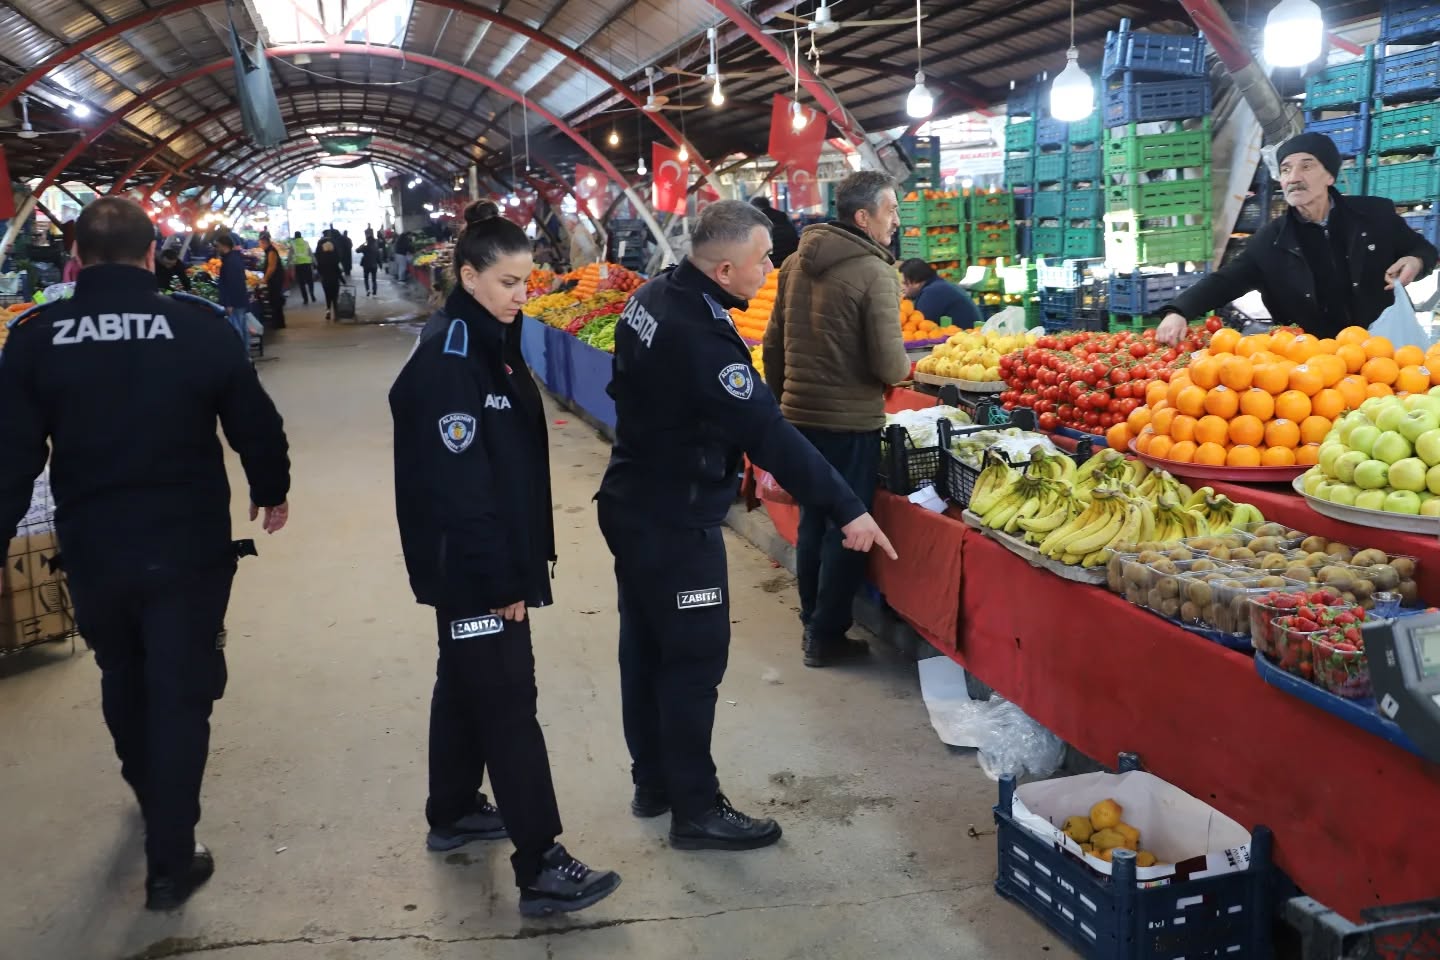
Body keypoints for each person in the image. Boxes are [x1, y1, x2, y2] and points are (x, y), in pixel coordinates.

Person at [0, 197, 291, 911]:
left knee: (123, 672)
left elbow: (11, 456)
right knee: (183, 688)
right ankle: (170, 856)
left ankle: (147, 785)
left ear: (74, 254)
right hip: (185, 542)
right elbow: (252, 416)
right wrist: (270, 486)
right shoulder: (196, 327)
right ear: (153, 251)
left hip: (95, 546)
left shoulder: (36, 338)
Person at [597, 200, 897, 851]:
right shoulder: (700, 335)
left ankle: (654, 782)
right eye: (763, 259)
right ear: (727, 266)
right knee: (693, 659)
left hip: (631, 500)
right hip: (675, 521)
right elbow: (767, 431)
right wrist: (848, 507)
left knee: (644, 648)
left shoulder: (650, 297)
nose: (771, 268)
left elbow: (627, 389)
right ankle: (696, 810)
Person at [390, 200, 621, 917]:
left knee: (464, 682)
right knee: (508, 701)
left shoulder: (490, 340)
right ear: (467, 275)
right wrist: (501, 582)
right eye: (508, 283)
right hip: (473, 568)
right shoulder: (453, 360)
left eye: (526, 282)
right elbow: (461, 489)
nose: (522, 296)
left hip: (478, 560)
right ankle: (541, 863)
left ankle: (453, 808)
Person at [763, 171, 912, 668]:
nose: (897, 220)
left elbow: (771, 344)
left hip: (799, 420)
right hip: (851, 425)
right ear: (863, 217)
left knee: (813, 524)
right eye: (890, 210)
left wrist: (782, 404)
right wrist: (906, 368)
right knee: (848, 531)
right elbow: (891, 366)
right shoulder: (876, 273)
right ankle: (826, 635)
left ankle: (813, 625)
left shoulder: (792, 265)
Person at [1156, 131, 1438, 345]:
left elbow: (1423, 250)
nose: (1293, 177)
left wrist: (1415, 261)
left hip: (1384, 349)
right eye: (1286, 169)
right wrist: (1178, 310)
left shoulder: (1374, 214)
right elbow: (1225, 281)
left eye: (1307, 166)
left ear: (1329, 176)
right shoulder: (1271, 241)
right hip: (1313, 368)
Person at [900, 258, 983, 329]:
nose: (902, 287)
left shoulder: (932, 293)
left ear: (916, 281)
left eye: (904, 283)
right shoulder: (938, 286)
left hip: (964, 338)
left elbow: (919, 324)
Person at [214, 232, 251, 349]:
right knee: (242, 326)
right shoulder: (234, 259)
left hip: (235, 302)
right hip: (239, 300)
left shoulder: (230, 262)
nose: (217, 249)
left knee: (237, 329)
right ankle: (245, 352)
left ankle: (242, 353)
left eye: (218, 246)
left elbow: (232, 284)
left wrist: (228, 303)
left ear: (224, 246)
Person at [750, 195, 800, 267]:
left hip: (770, 268)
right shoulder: (785, 220)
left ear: (755, 208)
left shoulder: (758, 223)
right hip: (791, 266)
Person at [259, 235, 285, 329]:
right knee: (275, 300)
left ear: (264, 243)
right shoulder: (269, 250)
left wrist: (265, 279)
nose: (260, 246)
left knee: (275, 300)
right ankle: (278, 322)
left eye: (260, 243)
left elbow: (272, 267)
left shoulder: (271, 251)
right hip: (274, 279)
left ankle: (279, 323)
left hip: (275, 280)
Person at [315, 237, 342, 321]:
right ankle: (336, 314)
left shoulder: (321, 259)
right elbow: (338, 271)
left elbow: (319, 270)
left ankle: (328, 311)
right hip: (334, 280)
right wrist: (343, 280)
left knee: (327, 296)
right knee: (335, 297)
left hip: (325, 281)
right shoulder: (335, 258)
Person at [289, 231, 315, 305]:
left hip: (298, 266)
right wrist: (315, 262)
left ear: (295, 236)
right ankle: (312, 294)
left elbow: (290, 256)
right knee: (310, 281)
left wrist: (289, 265)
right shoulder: (306, 243)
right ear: (301, 236)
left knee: (302, 283)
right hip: (307, 264)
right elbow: (310, 253)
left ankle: (305, 299)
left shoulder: (293, 244)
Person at [360, 229, 380, 296]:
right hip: (374, 265)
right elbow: (378, 257)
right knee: (374, 279)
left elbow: (357, 250)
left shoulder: (365, 247)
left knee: (366, 278)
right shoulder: (375, 248)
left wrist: (363, 244)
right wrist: (380, 264)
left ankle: (368, 290)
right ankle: (374, 291)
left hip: (366, 265)